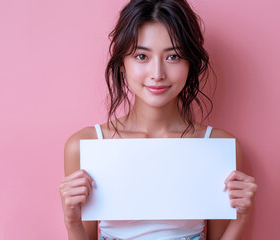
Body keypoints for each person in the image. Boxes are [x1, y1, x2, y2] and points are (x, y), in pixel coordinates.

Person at [58, 0, 258, 239]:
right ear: (122, 63)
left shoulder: (219, 147)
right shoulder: (85, 146)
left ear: (190, 64)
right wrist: (72, 221)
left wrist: (241, 217)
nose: (157, 74)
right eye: (142, 56)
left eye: (173, 56)